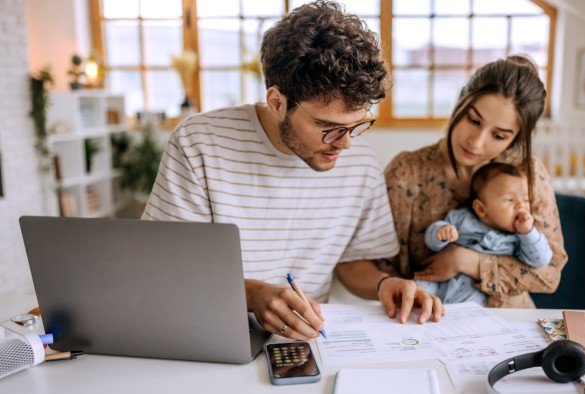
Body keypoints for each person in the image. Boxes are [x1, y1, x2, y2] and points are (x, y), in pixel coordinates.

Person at [142, 1, 444, 341]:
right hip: (208, 332)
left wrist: (384, 284)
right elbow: (166, 268)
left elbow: (352, 262)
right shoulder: (200, 143)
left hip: (306, 341)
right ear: (276, 102)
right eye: (328, 127)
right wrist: (252, 295)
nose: (344, 144)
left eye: (356, 125)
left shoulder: (360, 161)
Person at [378, 55, 568, 308]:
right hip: (426, 318)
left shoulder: (528, 173)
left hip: (509, 324)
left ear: (516, 139)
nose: (476, 142)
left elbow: (549, 274)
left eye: (499, 135)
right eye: (473, 120)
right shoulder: (407, 172)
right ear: (460, 102)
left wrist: (466, 261)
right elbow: (377, 267)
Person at [418, 162, 553, 304]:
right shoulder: (462, 219)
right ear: (481, 209)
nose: (521, 205)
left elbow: (541, 260)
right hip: (441, 282)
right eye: (509, 200)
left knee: (470, 310)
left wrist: (528, 233)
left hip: (475, 291)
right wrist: (440, 233)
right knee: (416, 290)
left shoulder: (519, 239)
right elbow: (432, 243)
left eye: (526, 200)